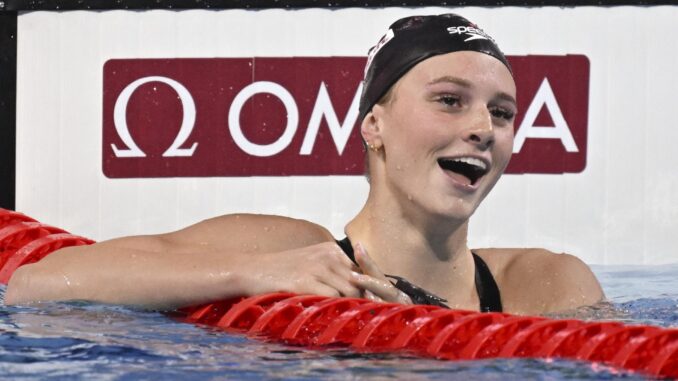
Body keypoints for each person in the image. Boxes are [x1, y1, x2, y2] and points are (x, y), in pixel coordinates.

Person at [5, 14, 604, 315]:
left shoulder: (544, 285)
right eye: (450, 100)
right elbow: (37, 285)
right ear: (375, 125)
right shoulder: (285, 248)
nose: (483, 128)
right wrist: (253, 275)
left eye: (502, 113)